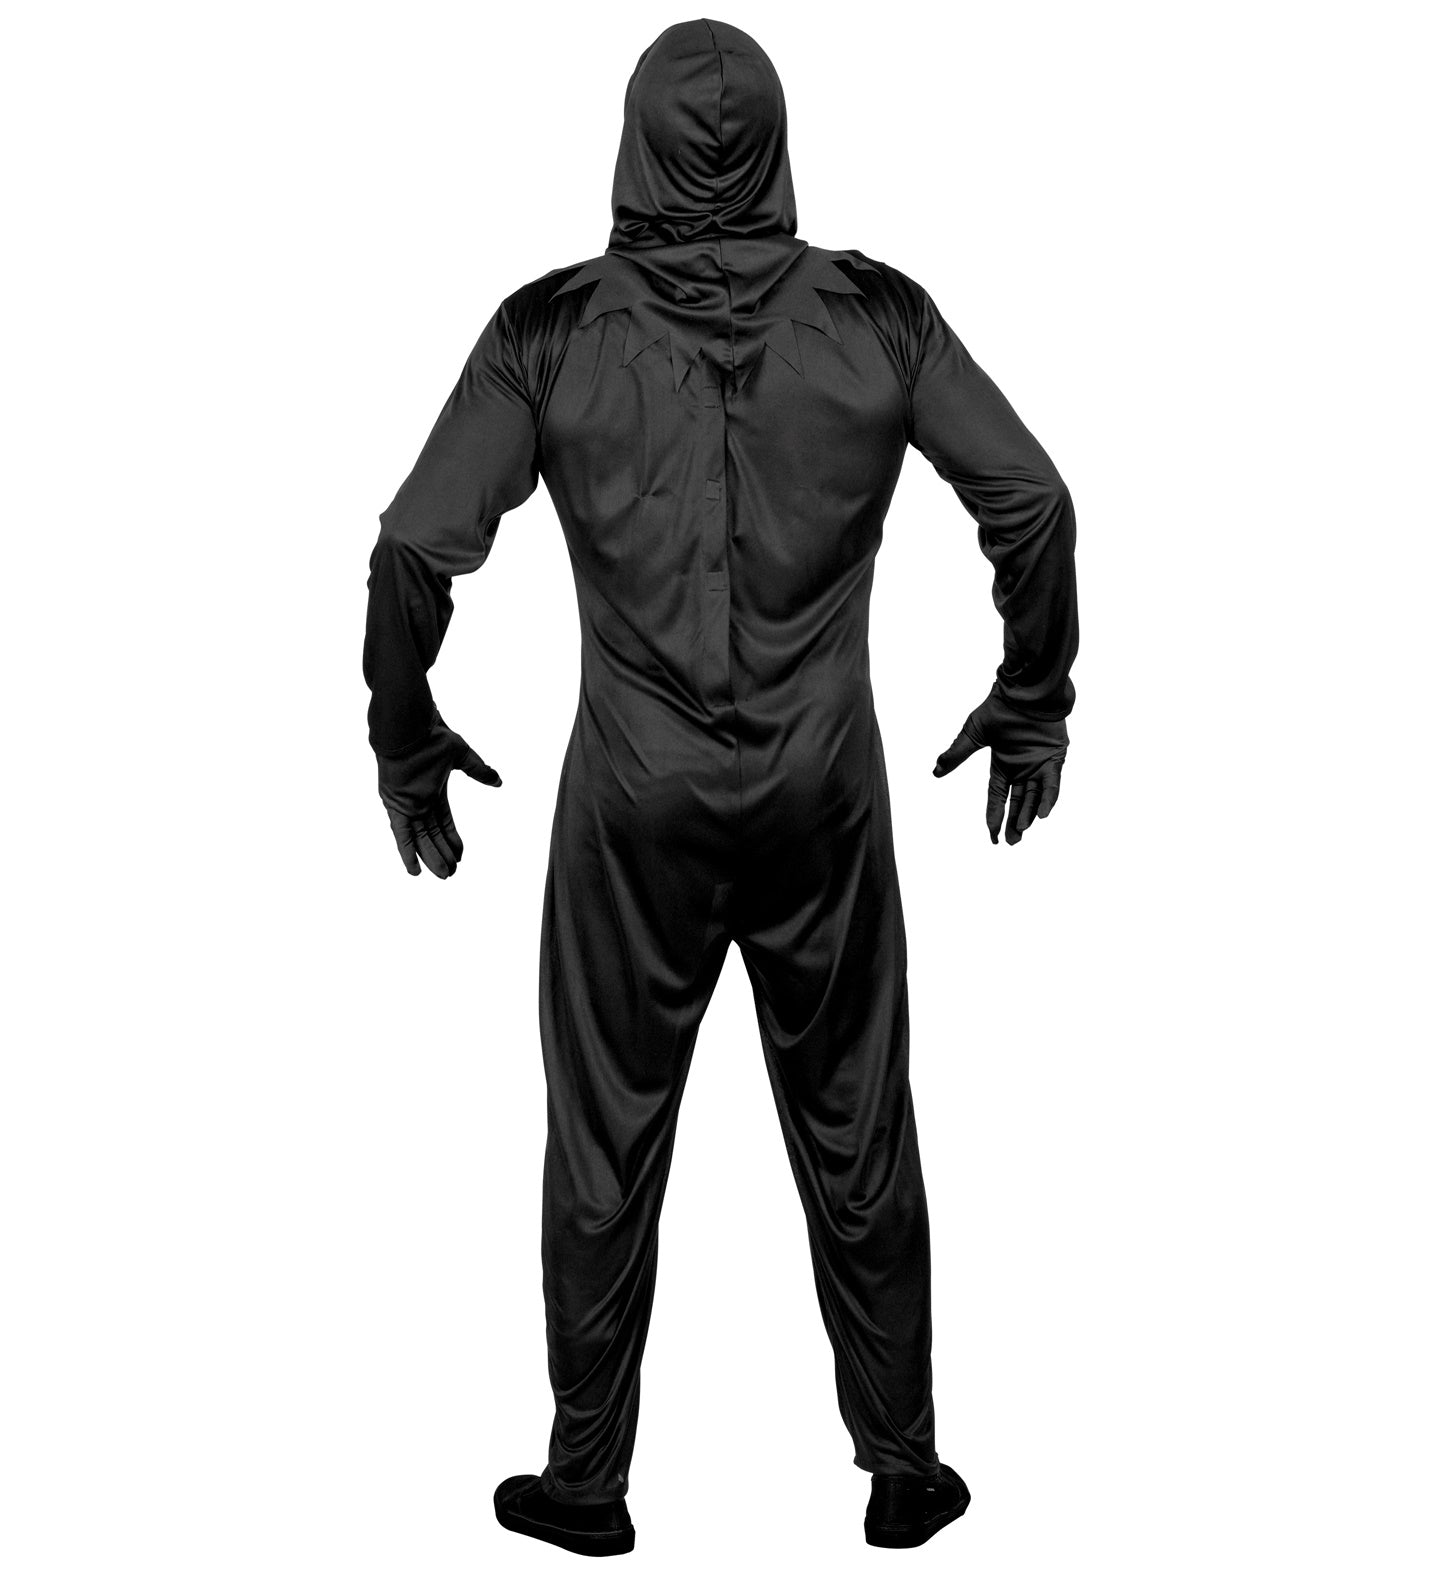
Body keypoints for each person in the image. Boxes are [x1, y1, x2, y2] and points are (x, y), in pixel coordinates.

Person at [362, 16, 1078, 1558]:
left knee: (603, 1142)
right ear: (775, 142)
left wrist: (402, 735)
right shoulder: (879, 315)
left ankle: (585, 1484)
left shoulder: (548, 329)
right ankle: (904, 1468)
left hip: (633, 803)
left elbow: (415, 544)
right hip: (820, 791)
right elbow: (1028, 498)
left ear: (629, 142)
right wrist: (1032, 700)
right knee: (858, 1125)